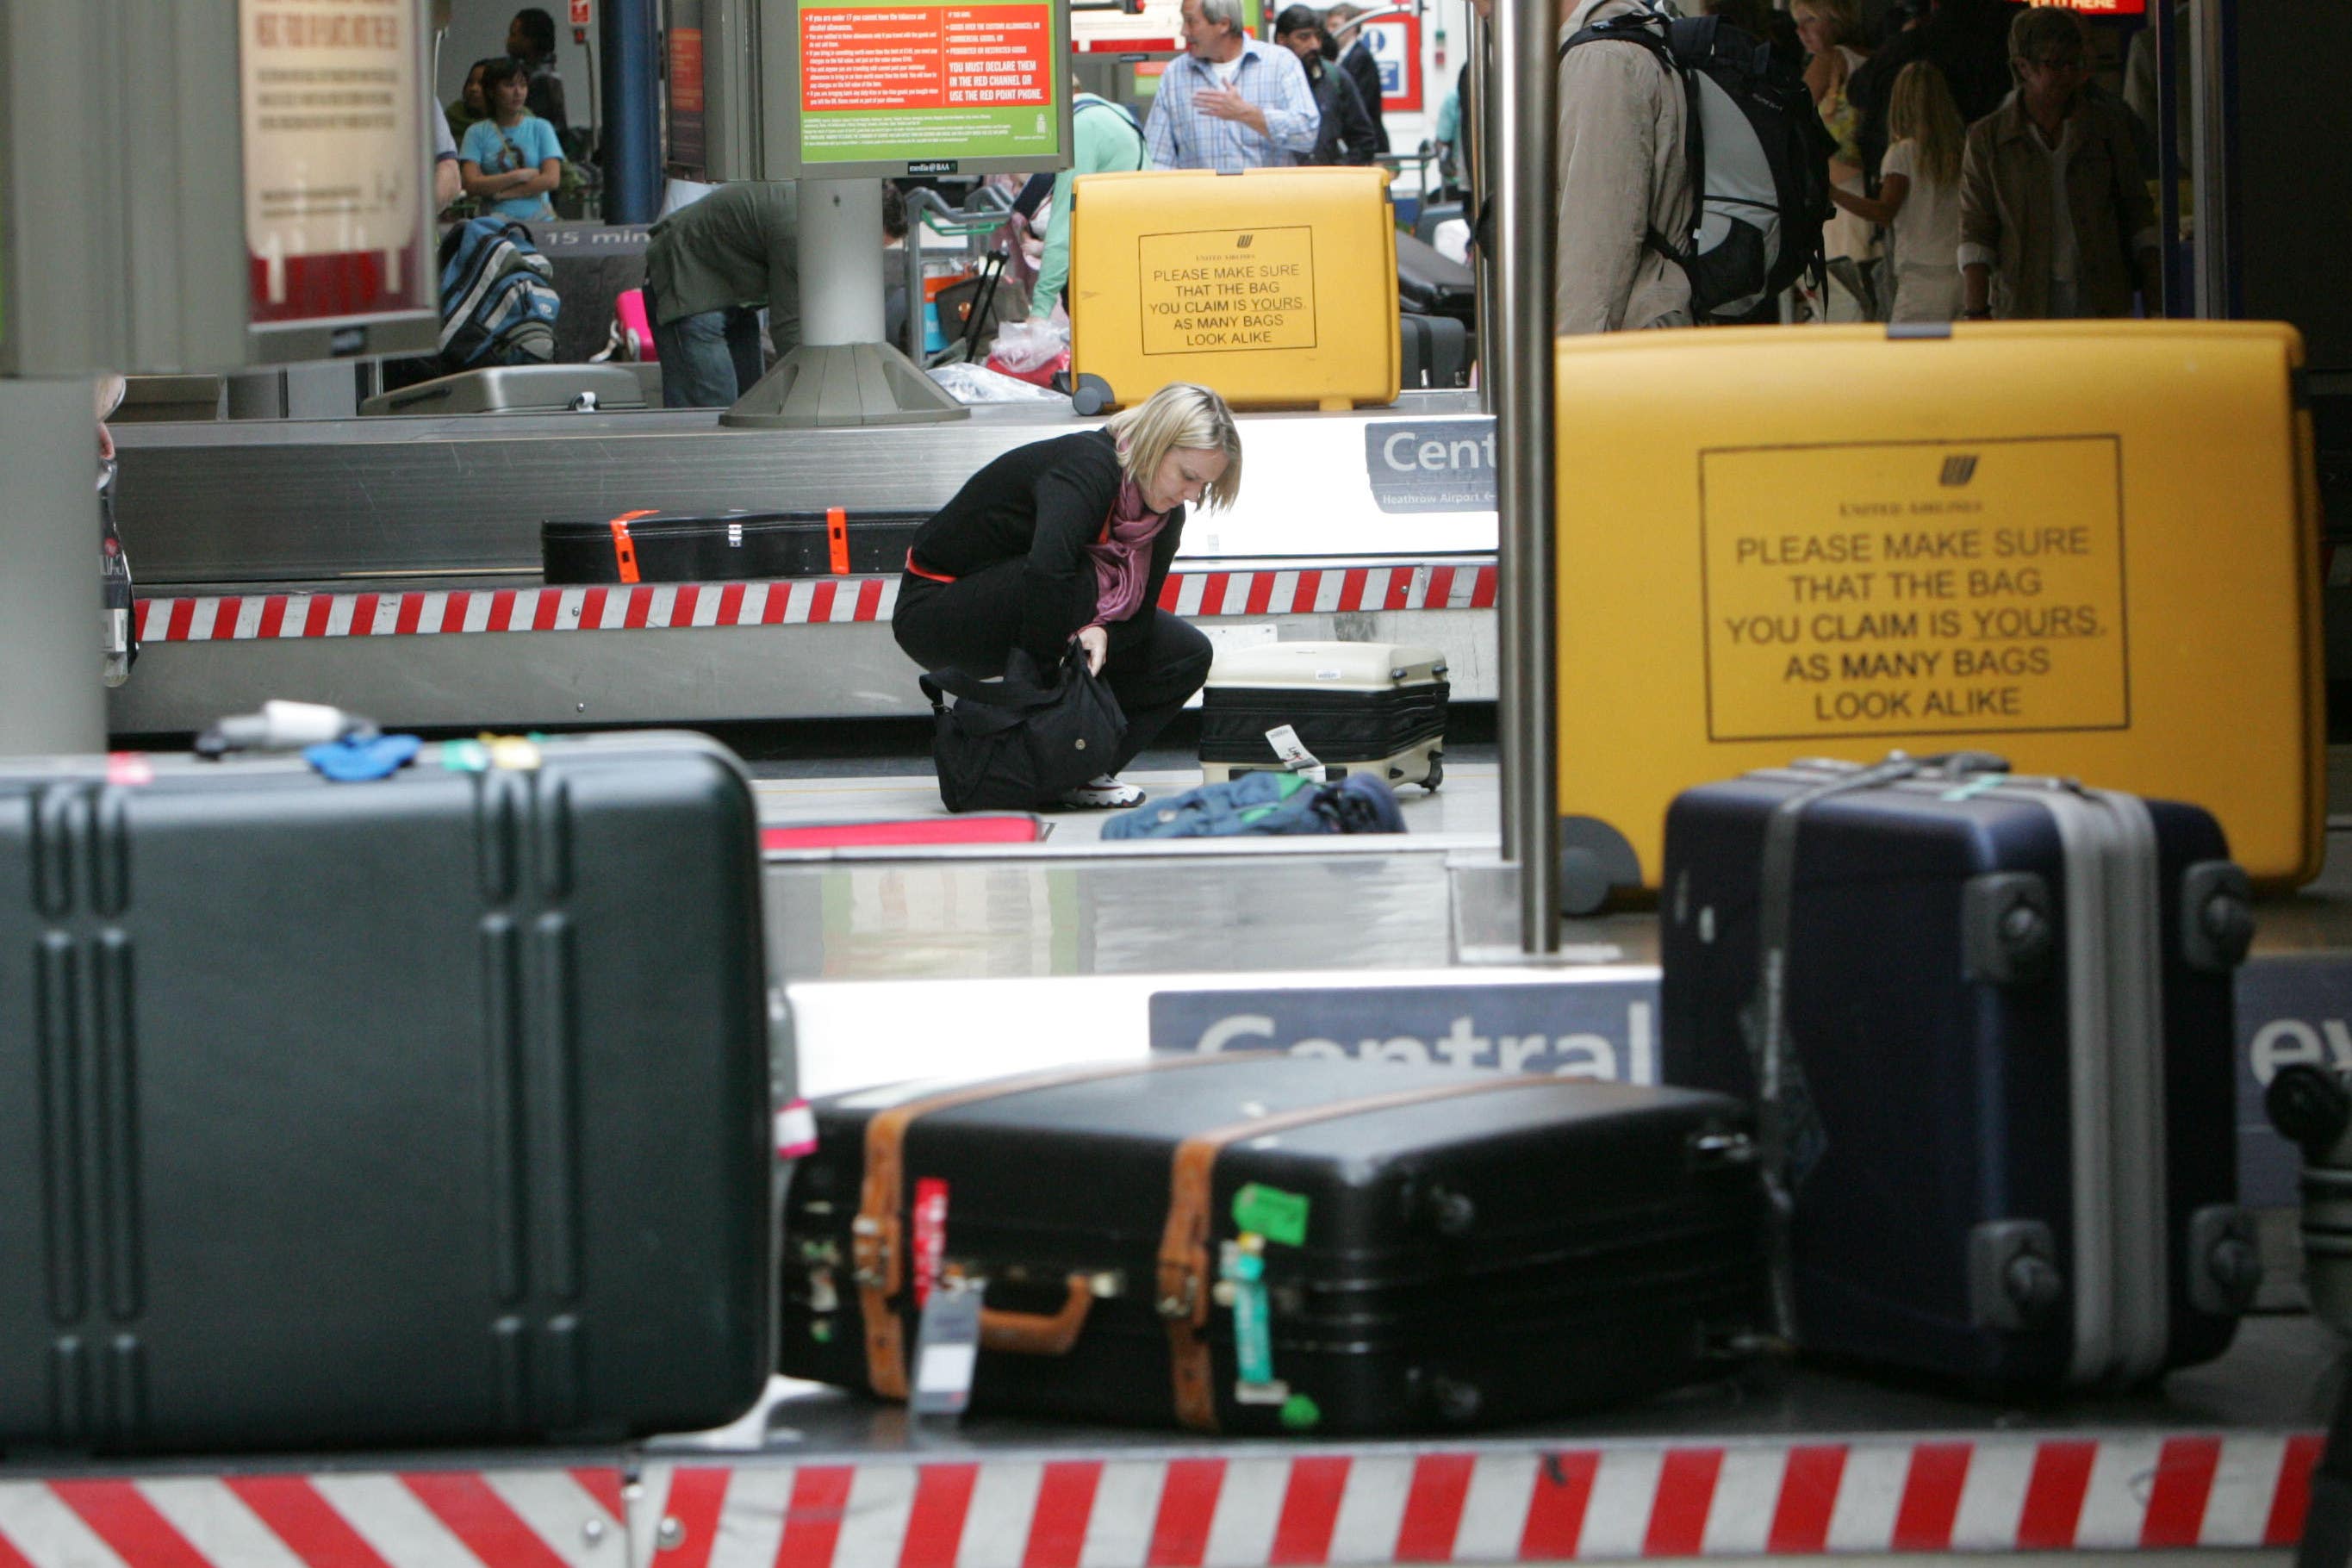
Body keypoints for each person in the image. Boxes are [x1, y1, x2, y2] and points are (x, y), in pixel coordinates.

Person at [893, 383, 1240, 810]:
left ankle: (1079, 773)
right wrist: (1033, 700)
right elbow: (1048, 573)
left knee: (1187, 654)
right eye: (1188, 476)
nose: (1192, 495)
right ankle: (1017, 757)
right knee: (1081, 582)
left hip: (1036, 601)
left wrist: (1104, 632)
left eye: (1204, 486)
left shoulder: (1165, 517)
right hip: (935, 610)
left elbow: (1139, 616)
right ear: (1155, 442)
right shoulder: (1088, 467)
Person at [1958, 8, 2159, 320]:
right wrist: (1976, 312)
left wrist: (2155, 304)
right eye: (2054, 64)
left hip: (2101, 298)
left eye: (2074, 63)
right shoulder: (1988, 139)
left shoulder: (2106, 128)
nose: (2067, 74)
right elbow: (1976, 229)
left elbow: (2137, 215)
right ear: (2023, 67)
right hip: (2023, 303)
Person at [1555, 0, 1694, 334]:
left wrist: (1573, 356)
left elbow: (1596, 254)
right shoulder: (1619, 39)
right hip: (1642, 325)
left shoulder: (1601, 61)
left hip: (1629, 337)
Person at [1826, 60, 1964, 320]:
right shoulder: (1960, 150)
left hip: (1921, 276)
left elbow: (1884, 212)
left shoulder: (1902, 153)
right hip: (1961, 272)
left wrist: (1835, 194)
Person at [643, 182, 801, 408]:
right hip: (684, 277)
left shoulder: (817, 213)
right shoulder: (799, 229)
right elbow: (790, 333)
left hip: (732, 289)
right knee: (715, 412)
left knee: (751, 406)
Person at [1848, 0, 2024, 187]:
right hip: (1995, 169)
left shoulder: (1914, 43)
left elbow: (1857, 91)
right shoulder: (2009, 41)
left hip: (1909, 174)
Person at [1143, 0, 1322, 172]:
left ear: (1223, 24)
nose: (1184, 31)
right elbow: (1157, 156)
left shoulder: (1280, 63)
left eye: (1191, 22)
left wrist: (1248, 114)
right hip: (1201, 194)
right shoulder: (1175, 74)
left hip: (1266, 193)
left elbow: (1307, 133)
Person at [1028, 89, 1148, 317]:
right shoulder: (1112, 113)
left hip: (1104, 277)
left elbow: (1065, 226)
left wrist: (1040, 311)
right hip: (1134, 264)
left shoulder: (1078, 130)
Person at [1794, 0, 1876, 318]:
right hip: (1870, 190)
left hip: (1838, 198)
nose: (1800, 31)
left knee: (1841, 303)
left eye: (1810, 20)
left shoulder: (1828, 59)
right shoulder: (1874, 58)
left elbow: (1790, 119)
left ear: (1835, 19)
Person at [460, 59, 563, 221]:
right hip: (492, 223)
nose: (518, 92)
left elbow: (551, 179)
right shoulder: (476, 132)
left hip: (540, 221)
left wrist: (504, 193)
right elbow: (471, 184)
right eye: (509, 85)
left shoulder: (541, 128)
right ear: (492, 91)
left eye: (523, 85)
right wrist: (519, 176)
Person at [1274, 6, 1379, 165]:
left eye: (1318, 37)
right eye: (1304, 37)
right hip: (1277, 178)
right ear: (1282, 39)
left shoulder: (1334, 77)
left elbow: (1363, 139)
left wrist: (1341, 171)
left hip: (1327, 177)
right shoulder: (1265, 81)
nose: (1314, 45)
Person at [1321, 3, 1390, 154]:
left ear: (1352, 27)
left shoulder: (1361, 58)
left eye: (1335, 25)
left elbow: (1359, 103)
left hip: (1366, 143)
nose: (1330, 31)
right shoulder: (1339, 58)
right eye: (1328, 26)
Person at [507, 8, 570, 140]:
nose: (508, 41)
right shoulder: (540, 74)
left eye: (513, 35)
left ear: (529, 41)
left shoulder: (541, 82)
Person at [446, 58, 495, 146]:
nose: (473, 88)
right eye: (470, 82)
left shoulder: (508, 121)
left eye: (481, 83)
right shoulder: (453, 115)